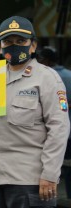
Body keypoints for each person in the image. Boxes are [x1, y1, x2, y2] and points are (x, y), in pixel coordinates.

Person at [0, 16, 70, 207]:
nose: (14, 46)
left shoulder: (47, 79)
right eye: (8, 42)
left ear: (33, 46)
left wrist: (50, 174)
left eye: (21, 41)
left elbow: (59, 129)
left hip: (29, 180)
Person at [37, 46, 71, 199]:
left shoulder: (48, 76)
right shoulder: (68, 75)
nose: (39, 61)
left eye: (41, 58)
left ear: (48, 60)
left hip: (53, 130)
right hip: (65, 130)